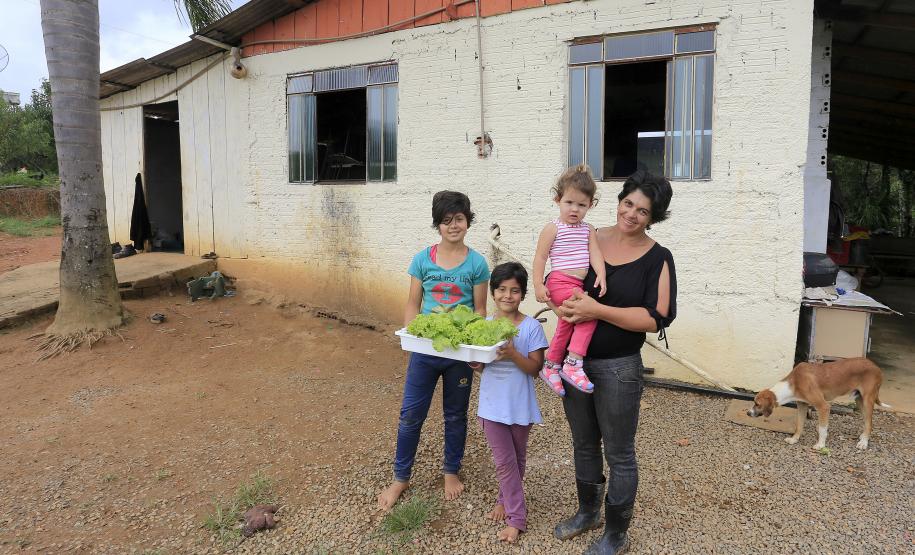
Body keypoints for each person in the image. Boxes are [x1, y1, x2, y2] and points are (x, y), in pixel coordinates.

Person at [552, 170, 677, 555]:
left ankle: (616, 532)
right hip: (576, 361)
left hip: (620, 367)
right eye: (628, 204)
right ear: (619, 201)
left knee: (619, 452)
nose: (632, 214)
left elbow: (658, 317)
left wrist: (598, 310)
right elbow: (559, 277)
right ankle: (588, 511)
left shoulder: (658, 257)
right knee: (583, 443)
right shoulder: (587, 235)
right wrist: (560, 302)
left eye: (643, 211)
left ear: (654, 217)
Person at [377, 190, 490, 510]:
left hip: (458, 355)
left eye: (459, 219)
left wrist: (474, 352)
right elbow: (413, 304)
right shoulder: (422, 260)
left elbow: (479, 311)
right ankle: (401, 477)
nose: (453, 226)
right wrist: (411, 338)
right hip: (425, 353)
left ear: (468, 221)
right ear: (437, 224)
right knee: (411, 414)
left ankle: (451, 472)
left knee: (455, 416)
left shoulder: (477, 263)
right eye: (446, 221)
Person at [469, 262, 548, 543]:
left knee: (517, 458)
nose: (507, 295)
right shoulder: (486, 326)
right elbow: (480, 366)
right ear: (493, 293)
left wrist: (513, 353)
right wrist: (475, 363)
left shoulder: (531, 328)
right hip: (491, 406)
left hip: (520, 405)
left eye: (514, 291)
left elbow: (535, 369)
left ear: (523, 294)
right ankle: (517, 517)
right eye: (501, 289)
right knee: (504, 462)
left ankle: (504, 499)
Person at [533, 164, 607, 397]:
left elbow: (595, 253)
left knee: (567, 321)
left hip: (575, 285)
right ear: (558, 199)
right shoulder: (553, 228)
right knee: (588, 316)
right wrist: (537, 284)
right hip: (559, 282)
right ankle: (573, 363)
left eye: (581, 205)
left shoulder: (588, 230)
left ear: (590, 205)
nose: (575, 209)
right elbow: (541, 256)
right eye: (569, 203)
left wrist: (602, 275)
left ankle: (552, 365)